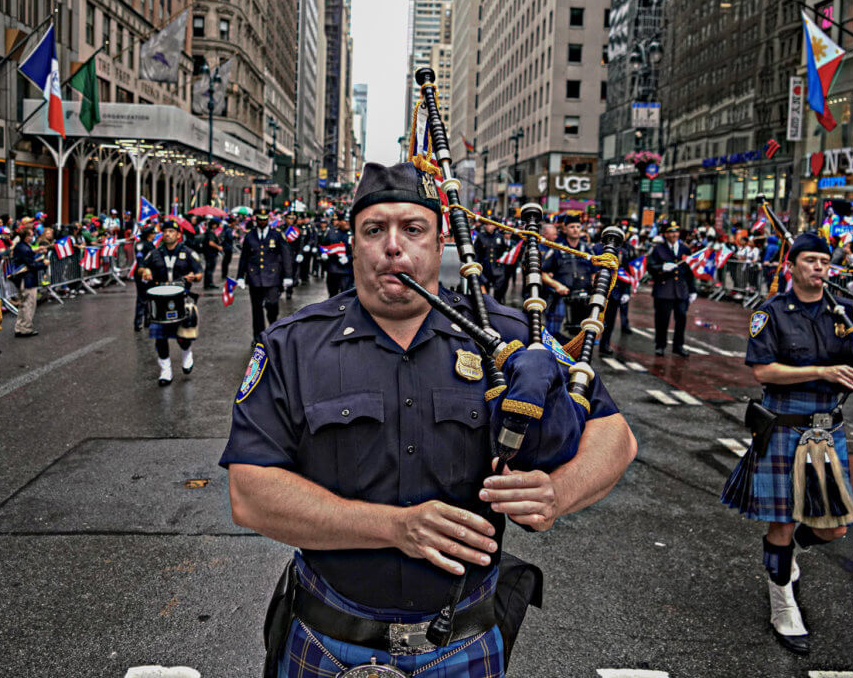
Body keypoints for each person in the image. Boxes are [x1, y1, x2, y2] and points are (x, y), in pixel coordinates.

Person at [221, 161, 636, 677]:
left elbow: (614, 433)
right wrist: (394, 528)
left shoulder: (506, 338)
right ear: (353, 244)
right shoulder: (291, 345)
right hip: (327, 643)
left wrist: (559, 491)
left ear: (441, 246)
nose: (394, 246)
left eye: (413, 229)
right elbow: (250, 493)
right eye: (374, 230)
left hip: (463, 645)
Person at [721, 232, 853, 655]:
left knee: (833, 527)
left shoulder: (845, 313)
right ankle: (783, 606)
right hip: (784, 423)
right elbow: (763, 371)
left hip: (826, 427)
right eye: (811, 260)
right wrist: (825, 370)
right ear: (791, 266)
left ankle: (786, 554)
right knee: (780, 521)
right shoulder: (773, 312)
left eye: (824, 261)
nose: (819, 267)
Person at [140, 219, 203, 385]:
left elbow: (198, 273)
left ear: (178, 235)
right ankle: (165, 370)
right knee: (160, 337)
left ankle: (186, 352)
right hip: (159, 300)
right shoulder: (155, 253)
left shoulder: (188, 252)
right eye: (165, 231)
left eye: (171, 232)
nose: (168, 234)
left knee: (183, 335)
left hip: (181, 298)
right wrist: (145, 270)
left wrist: (194, 277)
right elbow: (142, 267)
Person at [540, 213, 596, 341]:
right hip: (562, 298)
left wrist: (594, 283)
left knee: (582, 340)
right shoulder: (557, 249)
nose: (576, 229)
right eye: (572, 227)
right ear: (564, 229)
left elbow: (595, 272)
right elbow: (542, 273)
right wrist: (557, 285)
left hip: (584, 299)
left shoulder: (587, 250)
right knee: (554, 339)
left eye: (578, 226)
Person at [238, 217, 293, 342]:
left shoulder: (277, 235)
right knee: (256, 308)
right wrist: (240, 276)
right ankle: (258, 336)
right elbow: (244, 257)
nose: (262, 222)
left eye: (264, 220)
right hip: (255, 276)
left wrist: (288, 275)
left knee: (272, 304)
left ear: (268, 220)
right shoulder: (250, 236)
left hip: (273, 276)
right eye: (259, 220)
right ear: (256, 220)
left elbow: (286, 255)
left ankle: (273, 328)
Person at [647, 221, 695, 357]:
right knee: (662, 320)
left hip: (681, 290)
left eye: (676, 231)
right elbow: (650, 267)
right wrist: (661, 268)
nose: (674, 234)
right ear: (665, 234)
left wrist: (693, 290)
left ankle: (678, 345)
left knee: (681, 319)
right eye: (671, 232)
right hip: (664, 290)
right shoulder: (658, 249)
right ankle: (660, 345)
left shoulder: (685, 249)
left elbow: (690, 270)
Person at [10, 226, 46, 338]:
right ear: (26, 237)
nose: (32, 237)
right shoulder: (24, 248)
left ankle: (20, 327)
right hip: (27, 279)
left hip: (22, 279)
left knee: (23, 304)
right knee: (29, 304)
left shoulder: (21, 246)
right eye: (30, 235)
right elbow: (31, 265)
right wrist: (44, 264)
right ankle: (25, 328)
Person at [473, 219, 515, 304]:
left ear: (495, 225)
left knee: (498, 293)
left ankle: (497, 306)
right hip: (485, 268)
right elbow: (477, 253)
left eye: (491, 224)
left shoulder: (499, 237)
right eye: (487, 224)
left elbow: (504, 252)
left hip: (498, 269)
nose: (489, 227)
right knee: (485, 294)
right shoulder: (480, 236)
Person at [132, 221, 157, 332]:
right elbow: (140, 258)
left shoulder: (151, 244)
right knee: (142, 298)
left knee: (149, 298)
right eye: (153, 233)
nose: (154, 235)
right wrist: (142, 269)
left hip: (151, 273)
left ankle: (148, 320)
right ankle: (138, 323)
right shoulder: (141, 244)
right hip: (143, 274)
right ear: (148, 234)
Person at [321, 214, 353, 297]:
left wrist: (349, 258)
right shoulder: (331, 233)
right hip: (333, 269)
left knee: (346, 296)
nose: (347, 223)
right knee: (332, 295)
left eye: (348, 221)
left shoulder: (354, 234)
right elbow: (323, 245)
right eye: (345, 221)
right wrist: (323, 253)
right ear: (339, 222)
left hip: (347, 270)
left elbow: (360, 251)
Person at [201, 218, 223, 290]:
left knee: (209, 268)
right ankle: (209, 284)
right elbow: (211, 243)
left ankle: (208, 283)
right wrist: (218, 247)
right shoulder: (210, 233)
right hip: (210, 253)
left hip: (208, 253)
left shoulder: (208, 232)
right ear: (213, 225)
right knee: (210, 268)